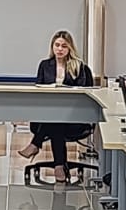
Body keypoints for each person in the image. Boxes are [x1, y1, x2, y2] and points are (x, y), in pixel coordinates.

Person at [19, 31, 95, 183]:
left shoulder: (79, 67)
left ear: (70, 49)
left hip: (75, 118)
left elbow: (84, 94)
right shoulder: (45, 65)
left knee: (56, 121)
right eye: (57, 45)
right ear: (52, 47)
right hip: (48, 116)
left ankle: (36, 144)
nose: (60, 49)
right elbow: (38, 90)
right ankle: (59, 166)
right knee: (56, 121)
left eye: (64, 46)